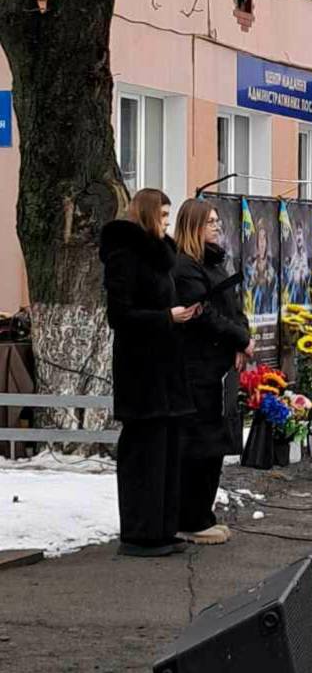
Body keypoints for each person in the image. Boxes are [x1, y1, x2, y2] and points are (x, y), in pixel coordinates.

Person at [101, 188, 200, 557]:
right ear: (145, 215)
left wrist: (181, 314)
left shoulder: (161, 256)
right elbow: (120, 315)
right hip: (140, 370)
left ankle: (162, 529)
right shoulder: (125, 254)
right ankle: (140, 533)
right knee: (144, 452)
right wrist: (166, 316)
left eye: (168, 217)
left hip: (166, 366)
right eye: (162, 216)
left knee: (167, 451)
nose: (167, 224)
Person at [173, 199, 253, 546]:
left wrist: (241, 338)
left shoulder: (214, 262)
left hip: (218, 364)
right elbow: (202, 313)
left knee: (215, 444)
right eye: (210, 222)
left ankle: (203, 515)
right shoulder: (185, 267)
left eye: (218, 221)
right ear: (193, 226)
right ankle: (191, 519)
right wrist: (239, 338)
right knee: (200, 445)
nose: (217, 226)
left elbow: (232, 307)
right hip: (198, 367)